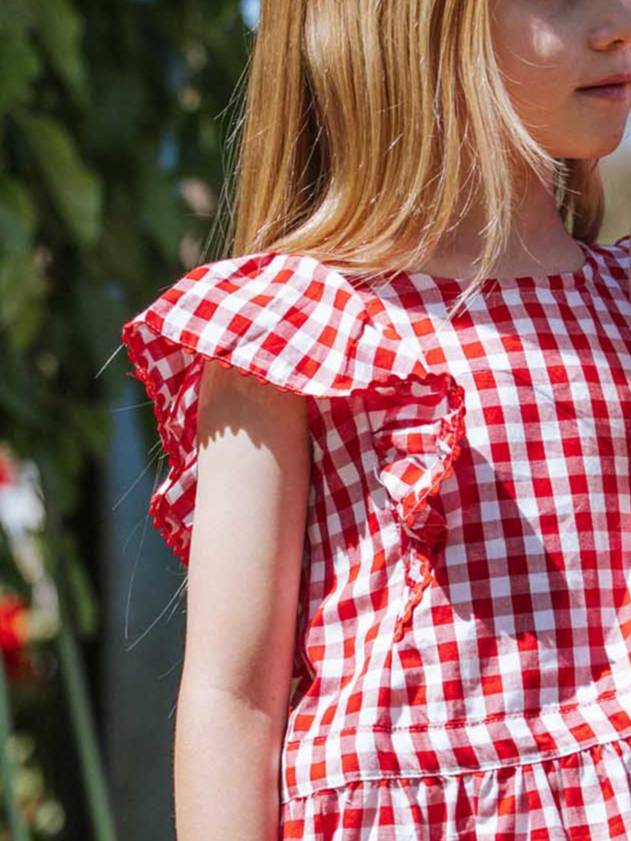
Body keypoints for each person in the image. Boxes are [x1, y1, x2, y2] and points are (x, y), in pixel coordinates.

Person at [120, 0, 631, 838]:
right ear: (409, 23)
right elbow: (232, 692)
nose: (615, 23)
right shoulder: (288, 327)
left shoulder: (615, 306)